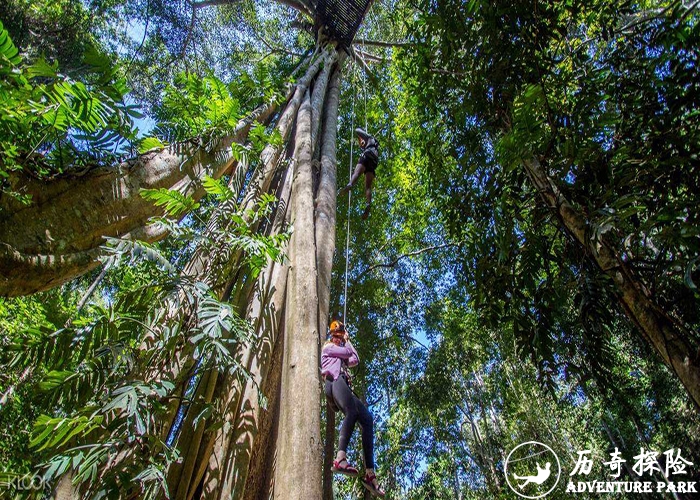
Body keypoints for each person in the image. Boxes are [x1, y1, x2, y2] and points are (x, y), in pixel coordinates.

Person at [321, 320, 385, 497]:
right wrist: (345, 341)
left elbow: (354, 359)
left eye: (340, 337)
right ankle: (340, 458)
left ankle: (370, 474)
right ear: (332, 336)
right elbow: (347, 353)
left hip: (344, 385)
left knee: (367, 419)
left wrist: (347, 341)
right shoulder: (328, 348)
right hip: (334, 382)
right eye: (337, 337)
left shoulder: (342, 351)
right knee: (351, 411)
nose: (338, 340)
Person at [339, 128, 379, 220]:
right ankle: (368, 203)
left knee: (356, 172)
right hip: (374, 161)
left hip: (367, 155)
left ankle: (350, 184)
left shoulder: (369, 138)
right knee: (368, 186)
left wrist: (362, 136)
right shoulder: (375, 146)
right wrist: (363, 144)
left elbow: (357, 130)